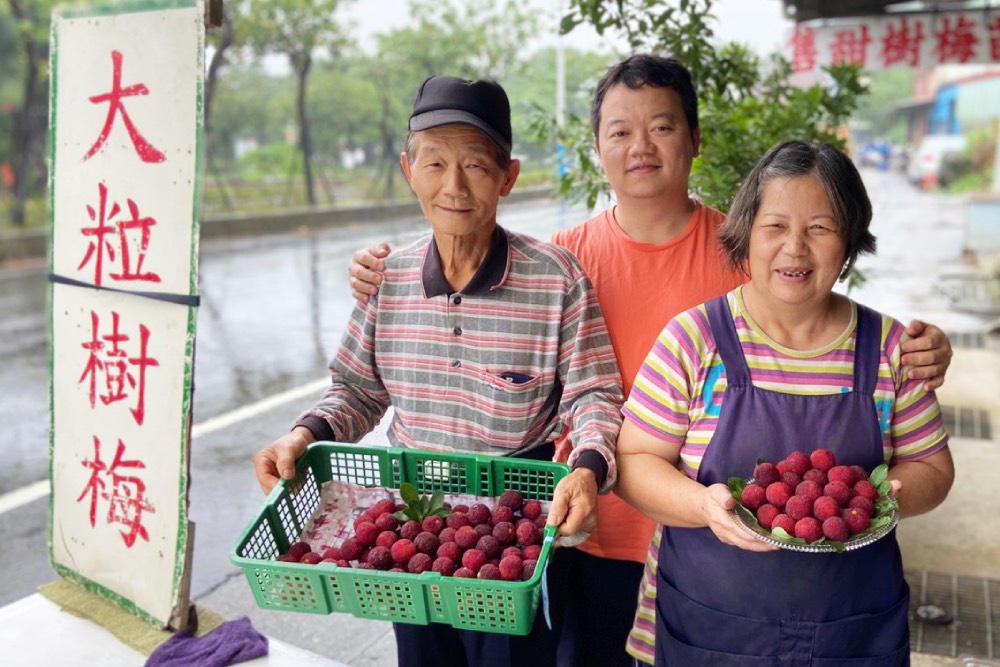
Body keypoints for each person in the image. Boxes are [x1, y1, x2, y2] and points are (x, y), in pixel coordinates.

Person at [346, 55, 954, 666]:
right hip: (591, 539)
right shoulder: (561, 265)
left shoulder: (751, 254)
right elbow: (475, 341)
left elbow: (823, 324)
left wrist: (917, 352)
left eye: (661, 127)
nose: (640, 146)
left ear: (694, 139)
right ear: (597, 147)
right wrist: (391, 273)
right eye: (620, 130)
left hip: (714, 552)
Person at [252, 74, 625, 667]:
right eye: (434, 164)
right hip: (413, 519)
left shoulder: (556, 278)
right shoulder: (388, 278)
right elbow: (355, 391)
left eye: (476, 165)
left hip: (515, 527)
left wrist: (586, 466)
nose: (453, 186)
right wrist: (304, 435)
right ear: (408, 171)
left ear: (508, 176)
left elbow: (594, 395)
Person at [615, 139, 955, 666]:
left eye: (820, 228)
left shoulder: (892, 350)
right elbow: (635, 463)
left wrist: (874, 501)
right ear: (744, 234)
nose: (795, 247)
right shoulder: (693, 340)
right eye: (775, 226)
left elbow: (933, 466)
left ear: (849, 244)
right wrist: (703, 506)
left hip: (850, 636)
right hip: (705, 631)